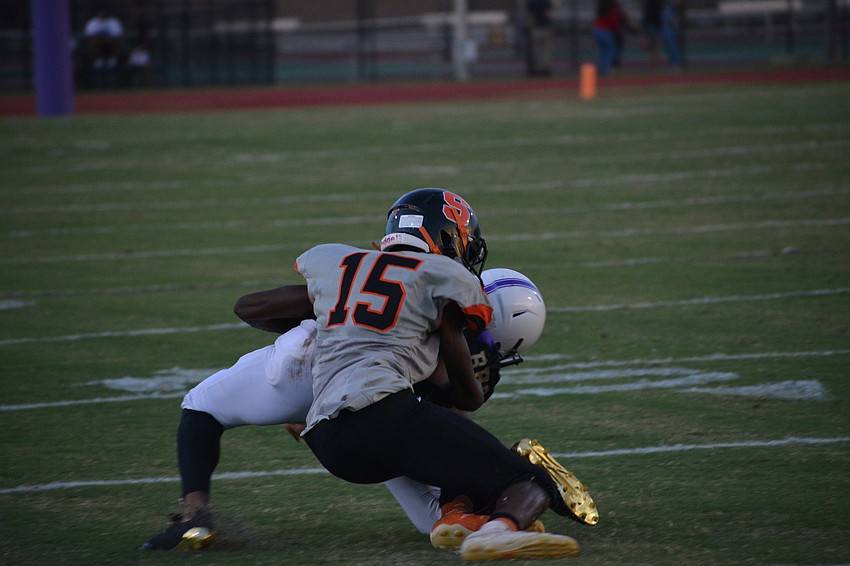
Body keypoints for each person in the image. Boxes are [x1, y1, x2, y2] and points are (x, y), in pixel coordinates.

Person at [139, 267, 560, 551]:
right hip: (367, 393)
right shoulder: (450, 311)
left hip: (304, 358)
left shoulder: (396, 272)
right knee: (414, 435)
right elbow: (455, 409)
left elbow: (250, 306)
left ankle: (194, 516)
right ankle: (468, 508)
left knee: (202, 405)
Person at [294, 188, 580, 560]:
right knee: (531, 480)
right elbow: (467, 399)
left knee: (461, 463)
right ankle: (497, 532)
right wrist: (457, 333)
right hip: (383, 414)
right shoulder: (444, 276)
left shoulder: (339, 262)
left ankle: (461, 515)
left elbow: (252, 306)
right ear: (446, 238)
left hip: (327, 439)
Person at [83, 9, 124, 88]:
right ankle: (98, 61)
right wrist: (101, 40)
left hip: (110, 45)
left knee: (113, 43)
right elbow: (89, 37)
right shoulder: (93, 22)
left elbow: (118, 36)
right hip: (98, 45)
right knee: (95, 43)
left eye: (104, 12)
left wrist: (106, 40)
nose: (103, 13)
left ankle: (112, 60)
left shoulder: (113, 22)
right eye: (101, 12)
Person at [593, 0, 636, 75]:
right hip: (606, 32)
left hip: (597, 30)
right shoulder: (613, 8)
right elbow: (614, 22)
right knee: (610, 50)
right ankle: (604, 70)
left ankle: (601, 69)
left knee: (604, 51)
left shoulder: (602, 6)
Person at [525, 0, 554, 77]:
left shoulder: (531, 3)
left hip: (536, 28)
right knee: (546, 50)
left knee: (537, 51)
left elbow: (531, 17)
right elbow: (549, 14)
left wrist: (531, 28)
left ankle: (539, 68)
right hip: (546, 27)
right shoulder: (546, 2)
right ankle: (546, 67)